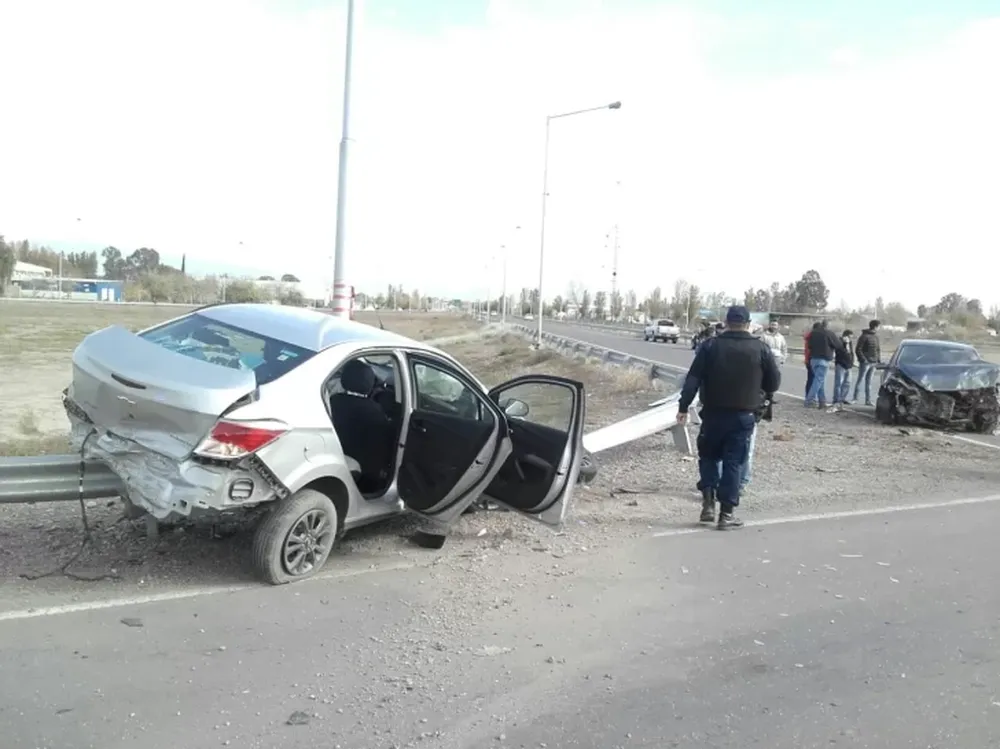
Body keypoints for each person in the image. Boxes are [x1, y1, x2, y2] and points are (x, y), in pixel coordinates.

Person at [677, 305, 781, 530]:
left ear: (726, 321)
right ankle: (726, 514)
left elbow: (692, 379)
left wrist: (683, 406)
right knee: (734, 462)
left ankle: (707, 503)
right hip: (743, 415)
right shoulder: (761, 348)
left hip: (713, 413)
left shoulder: (710, 346)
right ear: (748, 323)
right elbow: (774, 383)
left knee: (709, 457)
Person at [804, 320, 843, 409]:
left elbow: (809, 346)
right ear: (827, 326)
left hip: (813, 359)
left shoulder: (813, 333)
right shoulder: (829, 333)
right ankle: (809, 401)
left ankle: (822, 401)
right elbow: (838, 345)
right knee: (818, 381)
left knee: (819, 381)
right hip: (824, 360)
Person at [852, 319, 882, 406]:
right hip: (866, 363)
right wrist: (863, 360)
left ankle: (868, 400)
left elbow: (878, 349)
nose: (879, 328)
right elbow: (858, 349)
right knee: (860, 380)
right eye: (878, 326)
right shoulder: (864, 336)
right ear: (875, 326)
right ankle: (855, 399)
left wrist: (878, 360)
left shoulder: (876, 337)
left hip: (873, 362)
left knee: (869, 382)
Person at [831, 329, 855, 410]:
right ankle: (836, 400)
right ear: (845, 336)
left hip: (849, 366)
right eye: (849, 337)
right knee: (838, 383)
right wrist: (846, 344)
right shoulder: (840, 342)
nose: (851, 339)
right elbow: (842, 352)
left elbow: (851, 353)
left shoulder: (850, 343)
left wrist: (852, 362)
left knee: (847, 383)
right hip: (841, 364)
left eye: (852, 338)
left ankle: (842, 399)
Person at [803, 322, 821, 398]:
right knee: (813, 379)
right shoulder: (813, 337)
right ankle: (810, 396)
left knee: (810, 378)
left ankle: (808, 395)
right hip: (812, 358)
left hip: (808, 359)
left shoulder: (809, 336)